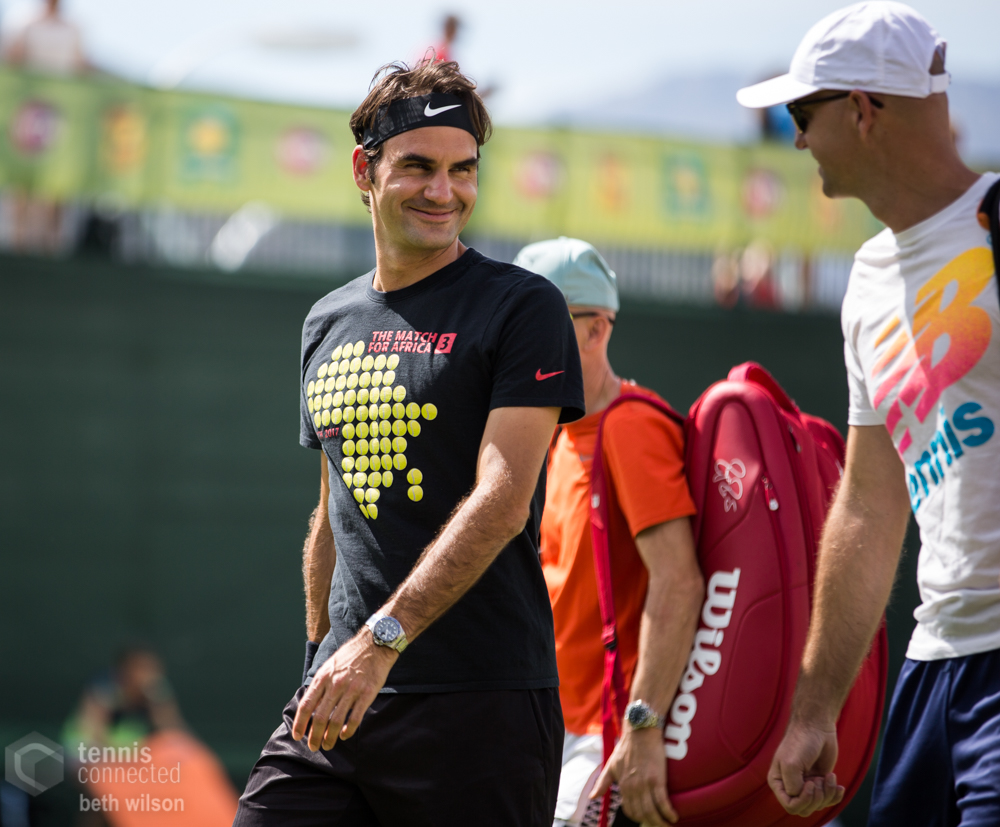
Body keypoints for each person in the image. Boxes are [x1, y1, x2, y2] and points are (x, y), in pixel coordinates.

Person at [232, 59, 585, 827]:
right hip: (342, 693)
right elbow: (334, 506)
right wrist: (320, 656)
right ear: (365, 171)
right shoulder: (326, 321)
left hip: (480, 706)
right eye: (419, 166)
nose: (443, 191)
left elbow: (504, 499)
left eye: (463, 169)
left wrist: (380, 641)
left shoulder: (523, 306)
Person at [737, 2, 1000, 824]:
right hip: (931, 675)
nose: (796, 141)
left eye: (801, 115)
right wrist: (814, 709)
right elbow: (868, 502)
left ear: (861, 109)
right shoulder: (868, 279)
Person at [514, 237, 703, 827]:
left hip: (609, 739)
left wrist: (641, 729)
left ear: (596, 330)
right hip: (556, 729)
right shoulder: (557, 431)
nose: (516, 343)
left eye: (536, 325)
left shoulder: (630, 428)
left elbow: (678, 584)